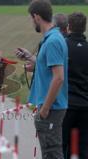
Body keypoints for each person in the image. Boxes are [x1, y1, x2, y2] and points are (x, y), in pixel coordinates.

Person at [14, 0, 68, 158]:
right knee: (50, 153)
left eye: (31, 19)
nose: (32, 23)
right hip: (51, 107)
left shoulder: (52, 41)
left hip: (51, 108)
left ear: (37, 17)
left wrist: (44, 109)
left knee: (52, 154)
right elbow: (49, 68)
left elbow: (58, 78)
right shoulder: (52, 38)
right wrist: (31, 59)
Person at [62, 12, 88, 159]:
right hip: (85, 106)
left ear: (68, 27)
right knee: (84, 149)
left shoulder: (63, 46)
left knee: (63, 146)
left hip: (66, 106)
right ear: (84, 28)